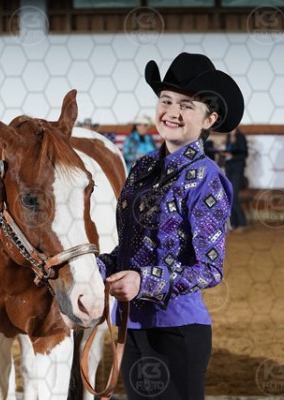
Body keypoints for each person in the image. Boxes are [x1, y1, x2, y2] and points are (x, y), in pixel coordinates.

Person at [97, 52, 244, 400]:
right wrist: (92, 267)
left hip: (177, 332)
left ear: (209, 119)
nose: (172, 112)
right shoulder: (142, 167)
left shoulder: (207, 178)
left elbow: (209, 269)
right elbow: (130, 249)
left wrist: (143, 281)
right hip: (131, 326)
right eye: (166, 100)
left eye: (186, 105)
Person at [222, 127, 248, 233]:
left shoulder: (240, 137)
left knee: (234, 197)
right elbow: (229, 152)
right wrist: (225, 154)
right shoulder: (228, 137)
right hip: (229, 169)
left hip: (237, 171)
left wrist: (232, 156)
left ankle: (242, 224)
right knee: (229, 197)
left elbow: (244, 154)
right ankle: (233, 223)